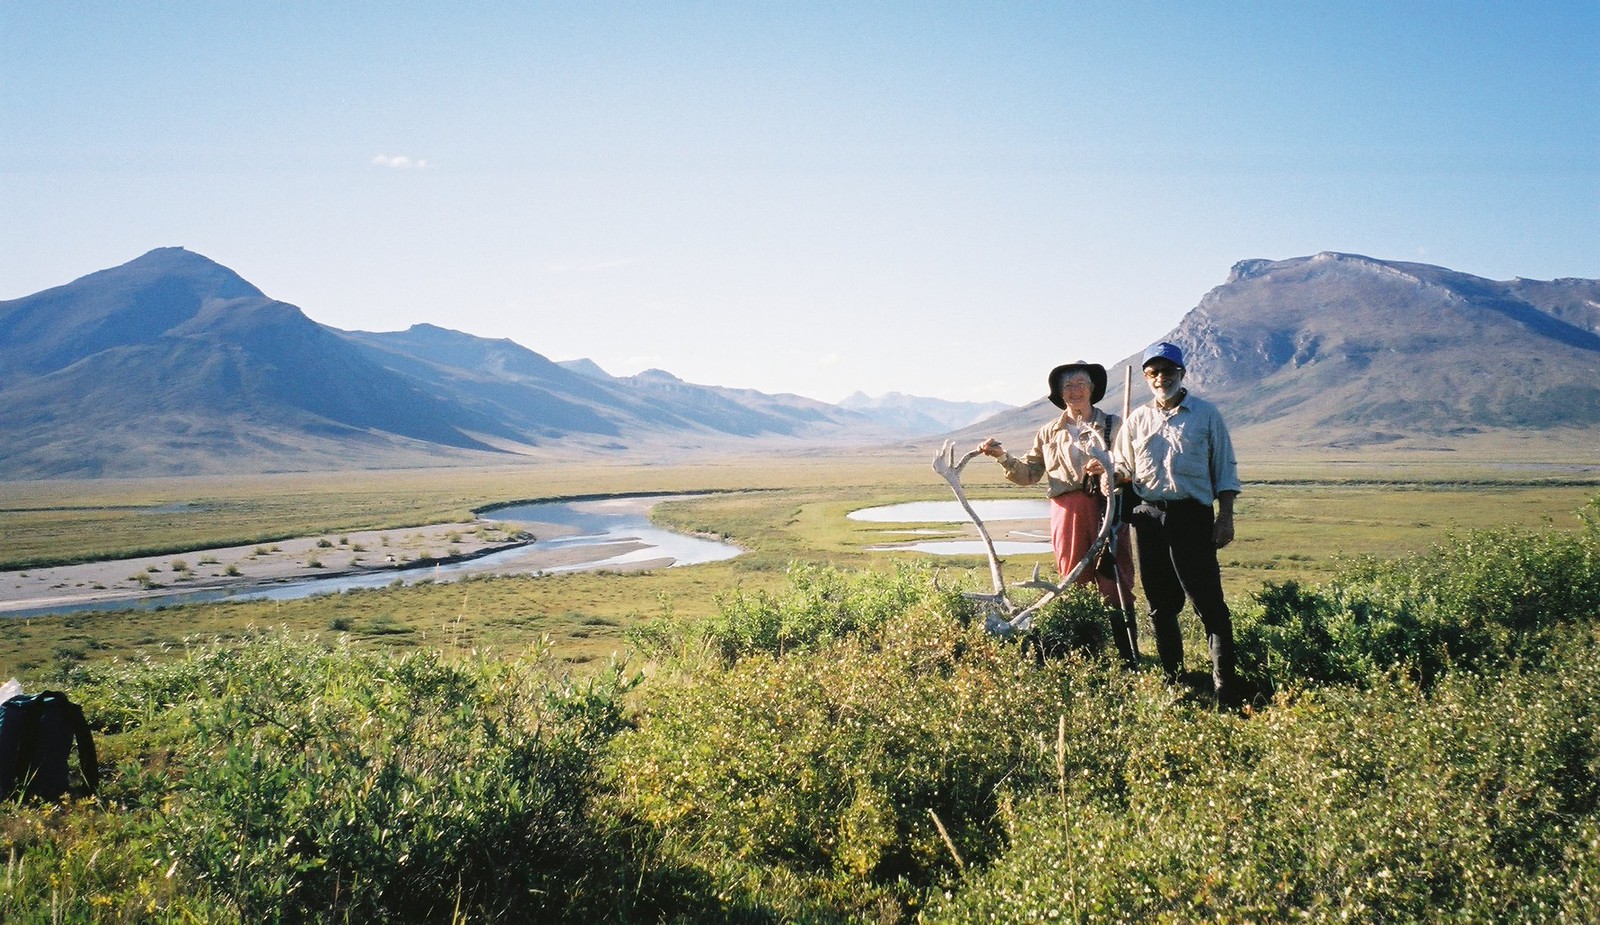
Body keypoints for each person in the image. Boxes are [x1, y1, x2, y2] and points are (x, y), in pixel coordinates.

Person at [977, 361, 1140, 666]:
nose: (1075, 391)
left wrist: (1110, 470)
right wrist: (1002, 457)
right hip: (1066, 512)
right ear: (1059, 393)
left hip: (1108, 509)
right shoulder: (1048, 432)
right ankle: (1083, 656)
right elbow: (1028, 474)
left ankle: (1127, 657)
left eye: (1081, 384)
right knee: (1073, 580)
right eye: (1068, 386)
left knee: (1114, 579)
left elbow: (1131, 466)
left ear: (1093, 389)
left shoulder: (1114, 425)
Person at [1115, 341, 1242, 707]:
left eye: (1167, 371)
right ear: (1145, 377)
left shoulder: (1206, 415)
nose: (1160, 378)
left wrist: (1226, 517)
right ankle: (1175, 682)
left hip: (1191, 516)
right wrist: (1112, 473)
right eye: (1153, 373)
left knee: (1208, 603)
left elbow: (1225, 469)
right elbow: (1124, 466)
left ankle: (1225, 688)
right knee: (1160, 603)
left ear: (1182, 373)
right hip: (1148, 517)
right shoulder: (1137, 420)